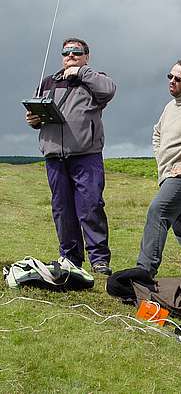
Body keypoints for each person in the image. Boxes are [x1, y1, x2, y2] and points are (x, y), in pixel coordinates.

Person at [26, 37, 116, 275]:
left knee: (91, 206)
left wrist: (82, 72)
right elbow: (38, 112)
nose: (70, 56)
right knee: (62, 209)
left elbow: (109, 91)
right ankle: (70, 257)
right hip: (54, 155)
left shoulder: (95, 80)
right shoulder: (48, 81)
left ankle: (99, 259)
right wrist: (34, 120)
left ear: (86, 56)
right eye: (66, 53)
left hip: (86, 154)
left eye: (77, 52)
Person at [136, 59, 181, 281]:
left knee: (158, 211)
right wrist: (162, 159)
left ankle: (144, 272)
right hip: (167, 175)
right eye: (170, 77)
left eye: (178, 79)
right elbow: (157, 133)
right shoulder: (169, 107)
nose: (172, 81)